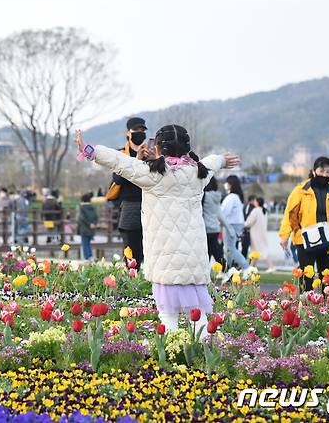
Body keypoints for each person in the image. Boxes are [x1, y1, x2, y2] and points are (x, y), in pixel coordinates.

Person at [75, 125, 239, 335]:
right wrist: (223, 159)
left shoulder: (152, 174)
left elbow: (120, 161)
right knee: (198, 317)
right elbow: (212, 161)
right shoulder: (198, 173)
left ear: (159, 147)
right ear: (187, 148)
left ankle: (170, 357)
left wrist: (90, 150)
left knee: (168, 316)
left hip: (164, 257)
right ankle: (206, 354)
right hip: (193, 258)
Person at [279, 157, 329, 292]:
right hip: (305, 240)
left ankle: (325, 308)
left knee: (327, 277)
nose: (324, 174)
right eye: (321, 170)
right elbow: (290, 214)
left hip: (328, 240)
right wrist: (284, 236)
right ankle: (305, 307)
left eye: (328, 172)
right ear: (314, 171)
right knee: (306, 275)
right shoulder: (301, 190)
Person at [112, 117, 148, 269]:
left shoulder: (151, 153)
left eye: (142, 131)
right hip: (129, 205)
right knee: (130, 249)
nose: (139, 133)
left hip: (148, 204)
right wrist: (136, 161)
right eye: (136, 131)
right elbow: (117, 179)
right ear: (128, 133)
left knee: (147, 248)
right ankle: (131, 281)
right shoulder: (121, 154)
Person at [202, 177, 234, 267]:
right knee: (215, 253)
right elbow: (220, 215)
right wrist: (229, 229)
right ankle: (228, 273)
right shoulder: (216, 197)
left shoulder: (203, 196)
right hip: (215, 229)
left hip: (205, 229)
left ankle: (229, 274)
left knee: (208, 254)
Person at [221, 176, 249, 269]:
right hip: (236, 224)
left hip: (231, 224)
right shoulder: (236, 197)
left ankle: (246, 267)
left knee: (230, 249)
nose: (226, 184)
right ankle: (227, 269)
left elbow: (224, 211)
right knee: (229, 249)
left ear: (230, 184)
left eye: (227, 183)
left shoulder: (231, 197)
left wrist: (218, 217)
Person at [244, 197, 275, 273]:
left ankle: (271, 266)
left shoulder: (256, 211)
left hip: (256, 233)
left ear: (257, 202)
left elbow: (249, 222)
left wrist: (243, 225)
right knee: (255, 251)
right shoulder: (264, 211)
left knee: (262, 251)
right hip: (262, 233)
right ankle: (251, 267)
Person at [77, 192, 99, 260]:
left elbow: (82, 218)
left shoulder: (82, 208)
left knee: (84, 243)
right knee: (88, 243)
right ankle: (90, 256)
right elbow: (96, 217)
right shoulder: (92, 208)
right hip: (91, 229)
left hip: (84, 228)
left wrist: (89, 224)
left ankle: (86, 257)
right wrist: (94, 224)